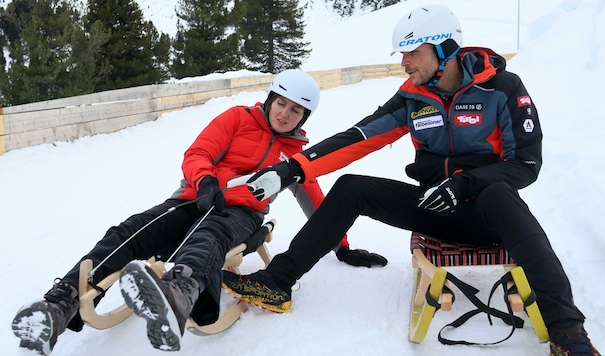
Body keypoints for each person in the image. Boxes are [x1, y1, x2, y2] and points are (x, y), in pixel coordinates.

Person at [221, 5, 601, 356]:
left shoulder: (502, 88)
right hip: (434, 208)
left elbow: (526, 163)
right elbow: (360, 136)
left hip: (490, 216)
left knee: (501, 193)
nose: (403, 63)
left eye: (411, 52)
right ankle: (276, 282)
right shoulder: (413, 97)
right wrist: (290, 170)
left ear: (445, 48)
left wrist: (467, 183)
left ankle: (568, 332)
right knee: (352, 187)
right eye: (402, 54)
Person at [11, 69, 387, 355]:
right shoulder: (238, 118)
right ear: (270, 99)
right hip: (196, 197)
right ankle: (60, 304)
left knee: (211, 235)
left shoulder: (296, 157)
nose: (285, 114)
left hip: (241, 215)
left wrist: (342, 246)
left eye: (296, 111)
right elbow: (198, 153)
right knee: (134, 230)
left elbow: (316, 202)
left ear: (303, 118)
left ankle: (179, 293)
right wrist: (205, 182)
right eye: (282, 104)